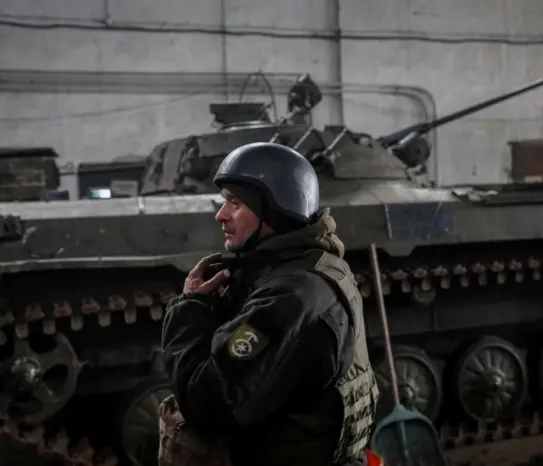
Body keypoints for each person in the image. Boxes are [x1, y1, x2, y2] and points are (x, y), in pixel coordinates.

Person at [160, 142, 379, 466]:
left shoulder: (288, 298)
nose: (220, 215)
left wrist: (190, 309)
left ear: (277, 209)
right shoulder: (317, 263)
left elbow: (205, 401)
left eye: (235, 203)